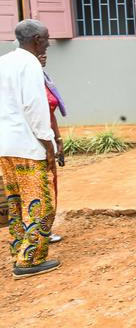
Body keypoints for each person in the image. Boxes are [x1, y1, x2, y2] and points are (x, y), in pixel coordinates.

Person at [0, 20, 59, 279]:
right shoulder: (30, 64)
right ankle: (29, 260)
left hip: (5, 146)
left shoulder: (4, 62)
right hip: (27, 145)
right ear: (36, 39)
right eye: (46, 38)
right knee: (42, 204)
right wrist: (48, 144)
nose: (48, 44)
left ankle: (18, 250)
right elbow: (34, 108)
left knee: (16, 202)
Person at [39, 52, 64, 244]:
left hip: (46, 138)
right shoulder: (29, 80)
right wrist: (49, 145)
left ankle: (44, 230)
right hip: (34, 142)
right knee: (40, 188)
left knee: (49, 186)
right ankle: (38, 233)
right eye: (39, 50)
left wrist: (58, 140)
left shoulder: (43, 77)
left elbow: (50, 114)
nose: (44, 54)